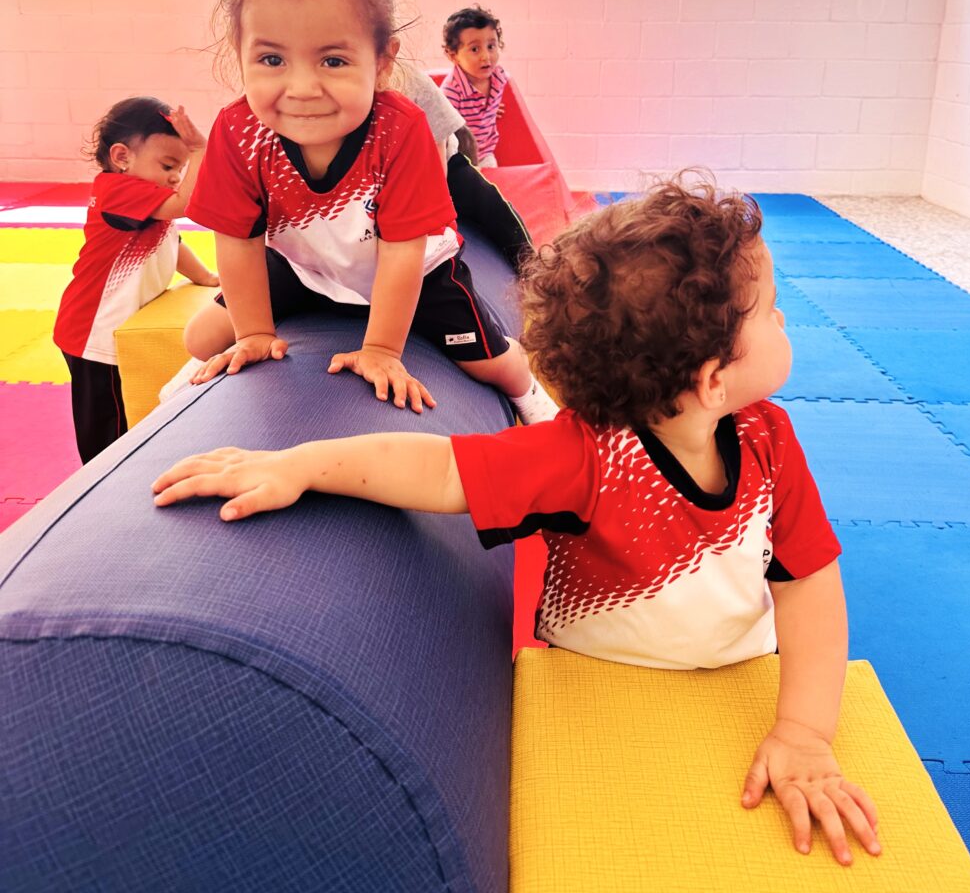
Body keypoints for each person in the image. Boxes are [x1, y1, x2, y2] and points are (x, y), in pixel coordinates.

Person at [153, 174, 882, 866]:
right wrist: (299, 465)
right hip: (592, 683)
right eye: (769, 311)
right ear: (712, 378)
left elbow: (807, 582)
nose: (783, 318)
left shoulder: (769, 441)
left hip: (740, 668)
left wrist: (802, 733)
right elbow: (440, 470)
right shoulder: (585, 455)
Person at [178, 0, 556, 423]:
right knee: (200, 335)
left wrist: (381, 349)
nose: (302, 87)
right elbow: (238, 242)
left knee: (492, 364)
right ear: (239, 53)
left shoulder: (398, 130)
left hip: (411, 273)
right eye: (271, 59)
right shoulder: (239, 131)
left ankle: (534, 405)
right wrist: (257, 334)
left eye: (333, 60)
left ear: (381, 63)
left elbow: (401, 253)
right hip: (305, 266)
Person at [53, 96, 216, 463]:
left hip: (107, 327)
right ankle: (99, 489)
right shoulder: (116, 190)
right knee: (106, 432)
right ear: (122, 157)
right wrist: (201, 150)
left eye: (182, 166)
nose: (177, 176)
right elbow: (185, 206)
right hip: (94, 333)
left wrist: (205, 276)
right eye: (169, 165)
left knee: (128, 411)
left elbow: (170, 238)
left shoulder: (142, 198)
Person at [389, 59, 532, 271]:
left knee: (491, 202)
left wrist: (435, 202)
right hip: (389, 176)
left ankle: (529, 264)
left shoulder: (412, 81)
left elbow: (439, 142)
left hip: (443, 163)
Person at [440, 6, 507, 168]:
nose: (486, 57)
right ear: (453, 55)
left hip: (486, 154)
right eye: (475, 49)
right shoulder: (452, 91)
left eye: (491, 46)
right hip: (459, 157)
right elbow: (443, 131)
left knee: (492, 188)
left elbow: (480, 104)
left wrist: (487, 110)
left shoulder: (498, 77)